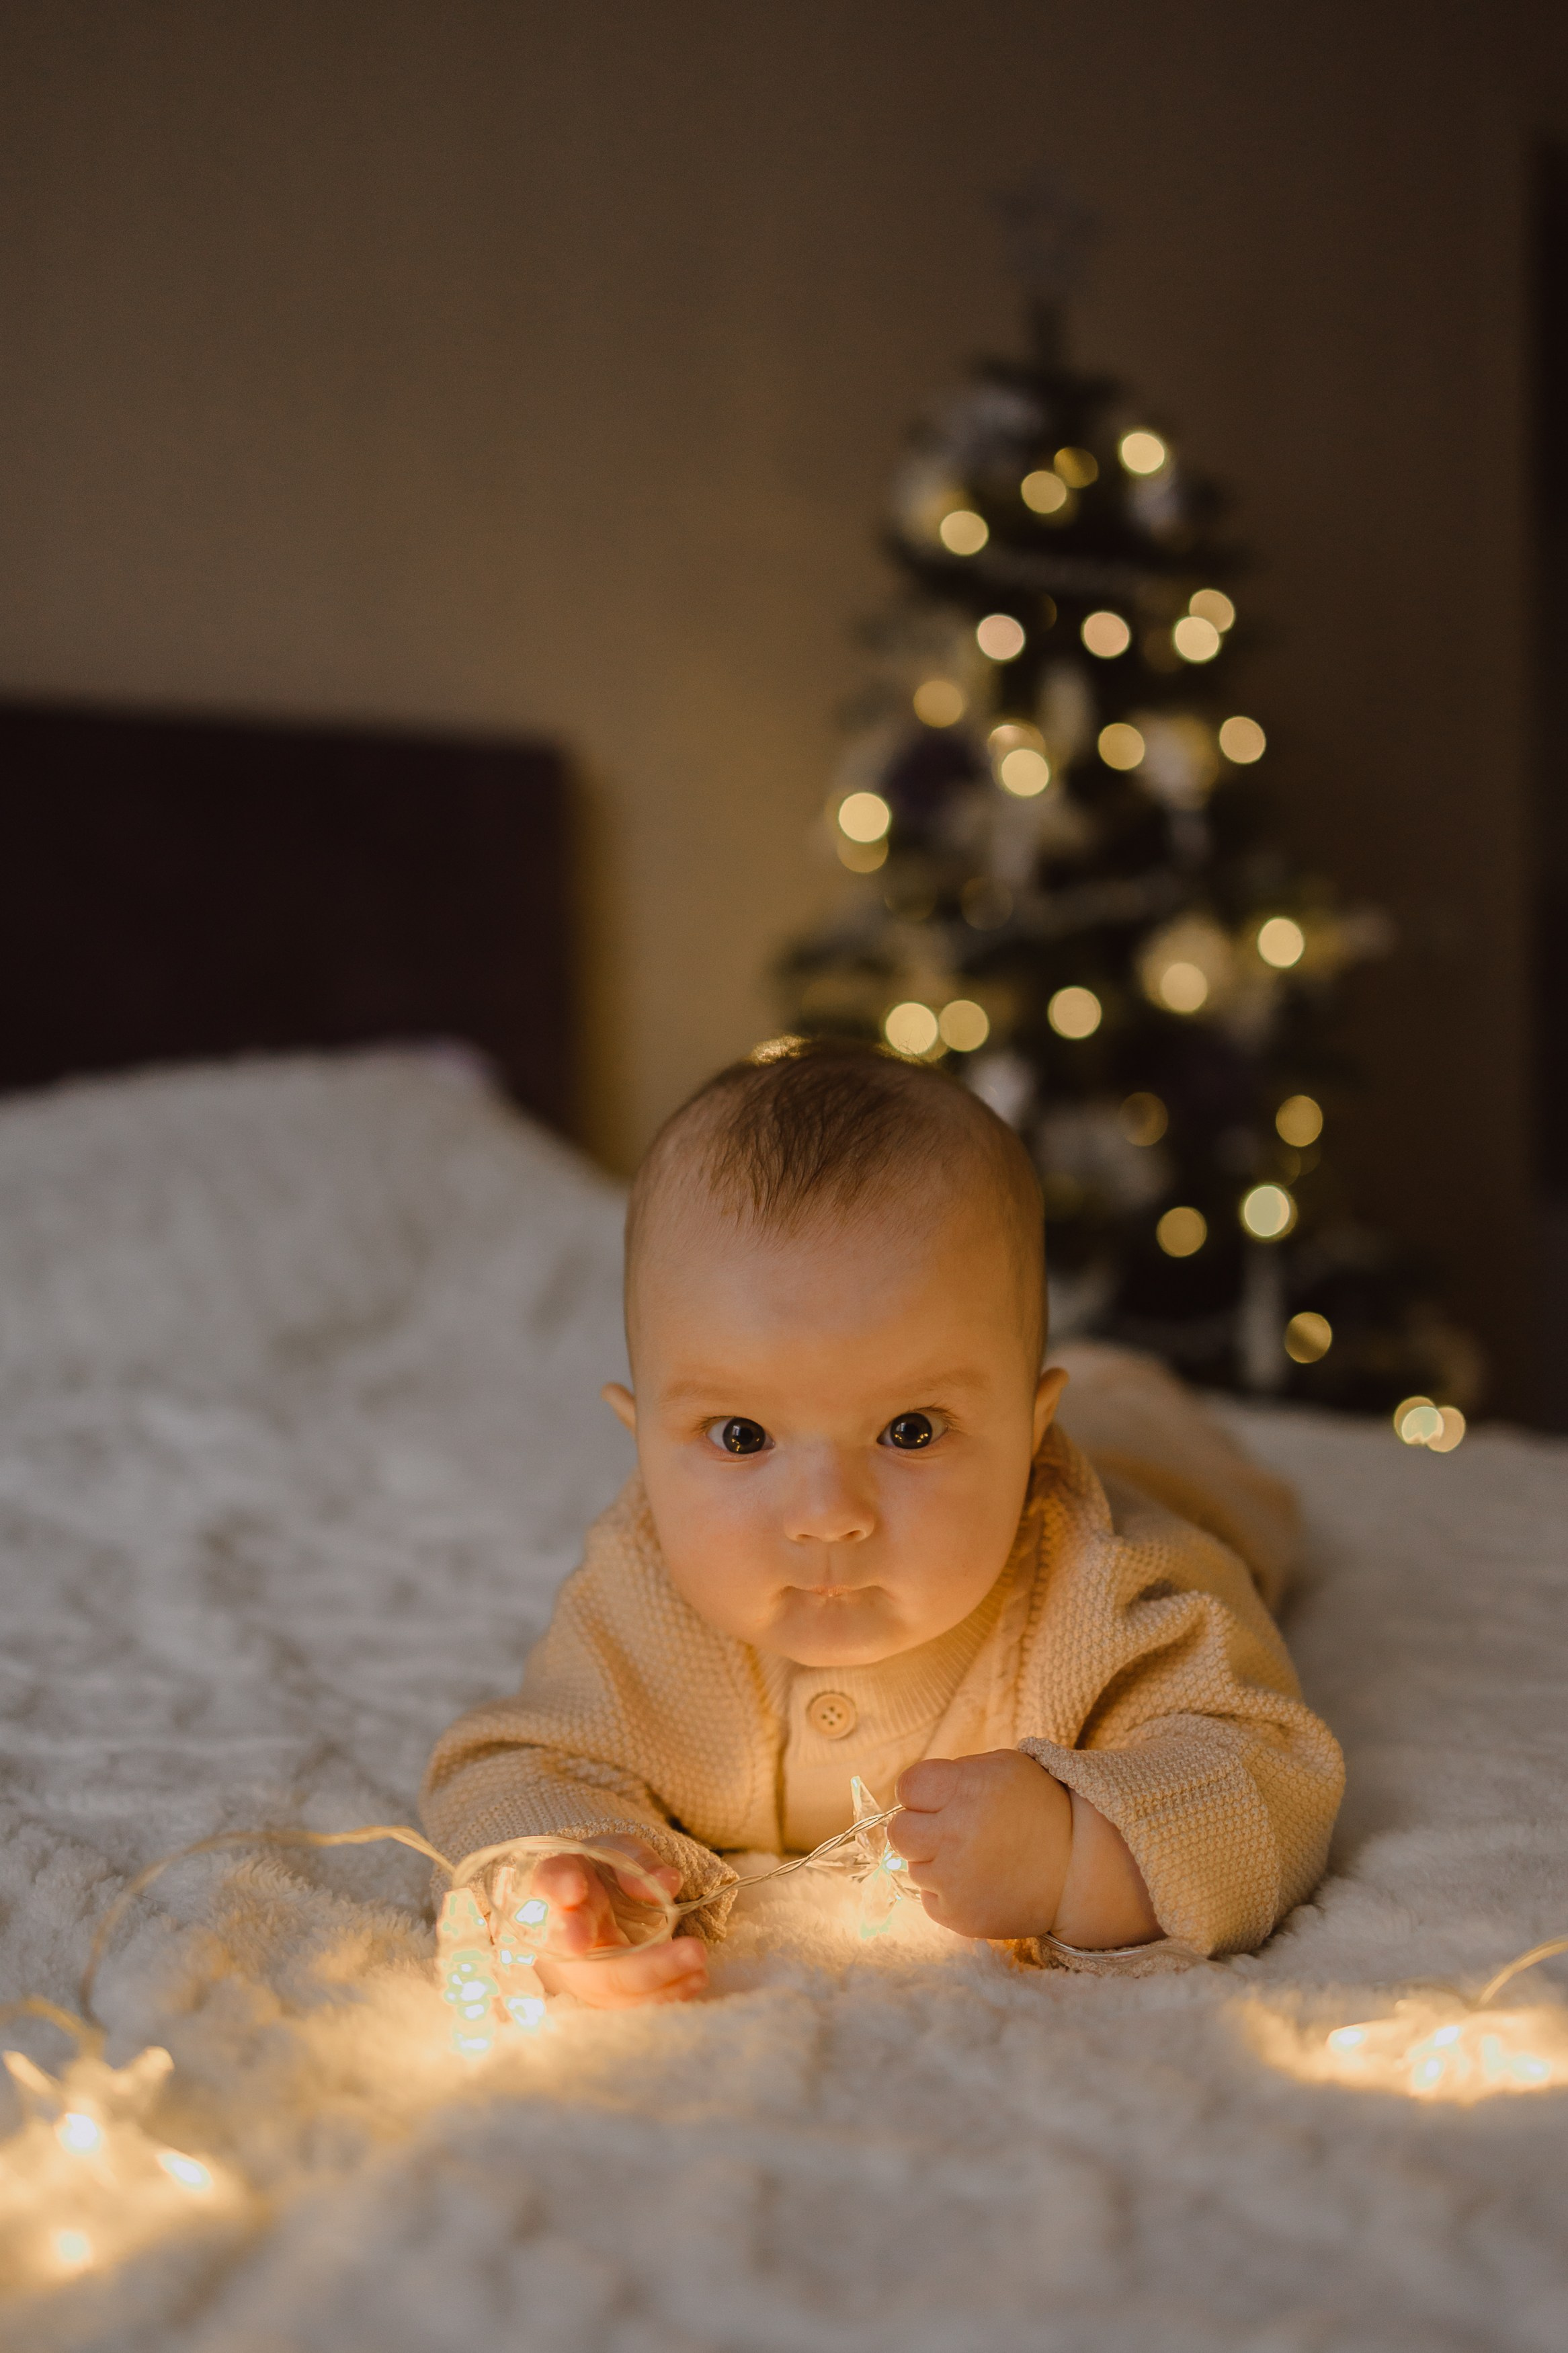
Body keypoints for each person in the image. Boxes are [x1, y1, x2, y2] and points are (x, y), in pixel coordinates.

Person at [421, 1039, 1343, 2007]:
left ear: (1030, 1435)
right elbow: (511, 1760)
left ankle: (1113, 1389)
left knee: (1167, 1443)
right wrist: (560, 1872)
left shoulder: (1106, 1586)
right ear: (642, 1441)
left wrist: (1081, 1850)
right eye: (741, 1436)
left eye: (909, 1431)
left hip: (1160, 1458)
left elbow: (1268, 1774)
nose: (827, 1517)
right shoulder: (639, 1599)